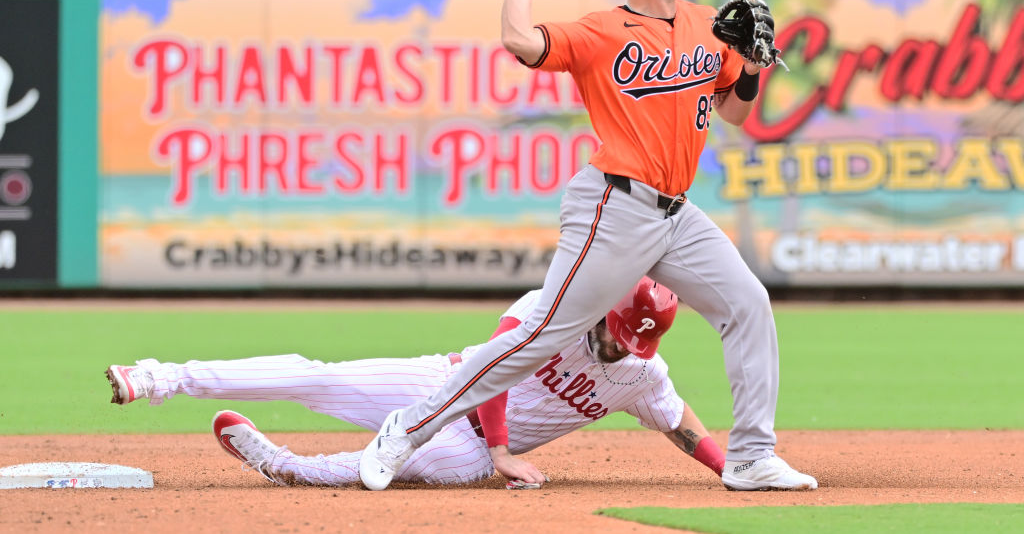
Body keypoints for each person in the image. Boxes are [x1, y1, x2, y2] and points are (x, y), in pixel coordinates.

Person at [357, 0, 817, 492]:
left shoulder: (706, 25)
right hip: (615, 206)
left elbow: (734, 114)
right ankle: (407, 428)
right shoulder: (603, 31)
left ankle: (751, 457)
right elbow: (517, 38)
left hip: (677, 213)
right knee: (541, 336)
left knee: (748, 304)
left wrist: (752, 65)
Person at [105, 279, 726, 487]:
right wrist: (508, 451)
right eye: (618, 329)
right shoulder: (557, 306)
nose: (620, 345)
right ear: (608, 308)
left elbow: (681, 425)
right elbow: (494, 367)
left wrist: (731, 468)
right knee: (316, 381)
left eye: (634, 341)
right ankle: (162, 378)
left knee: (418, 466)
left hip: (474, 450)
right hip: (443, 385)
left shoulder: (642, 375)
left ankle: (287, 466)